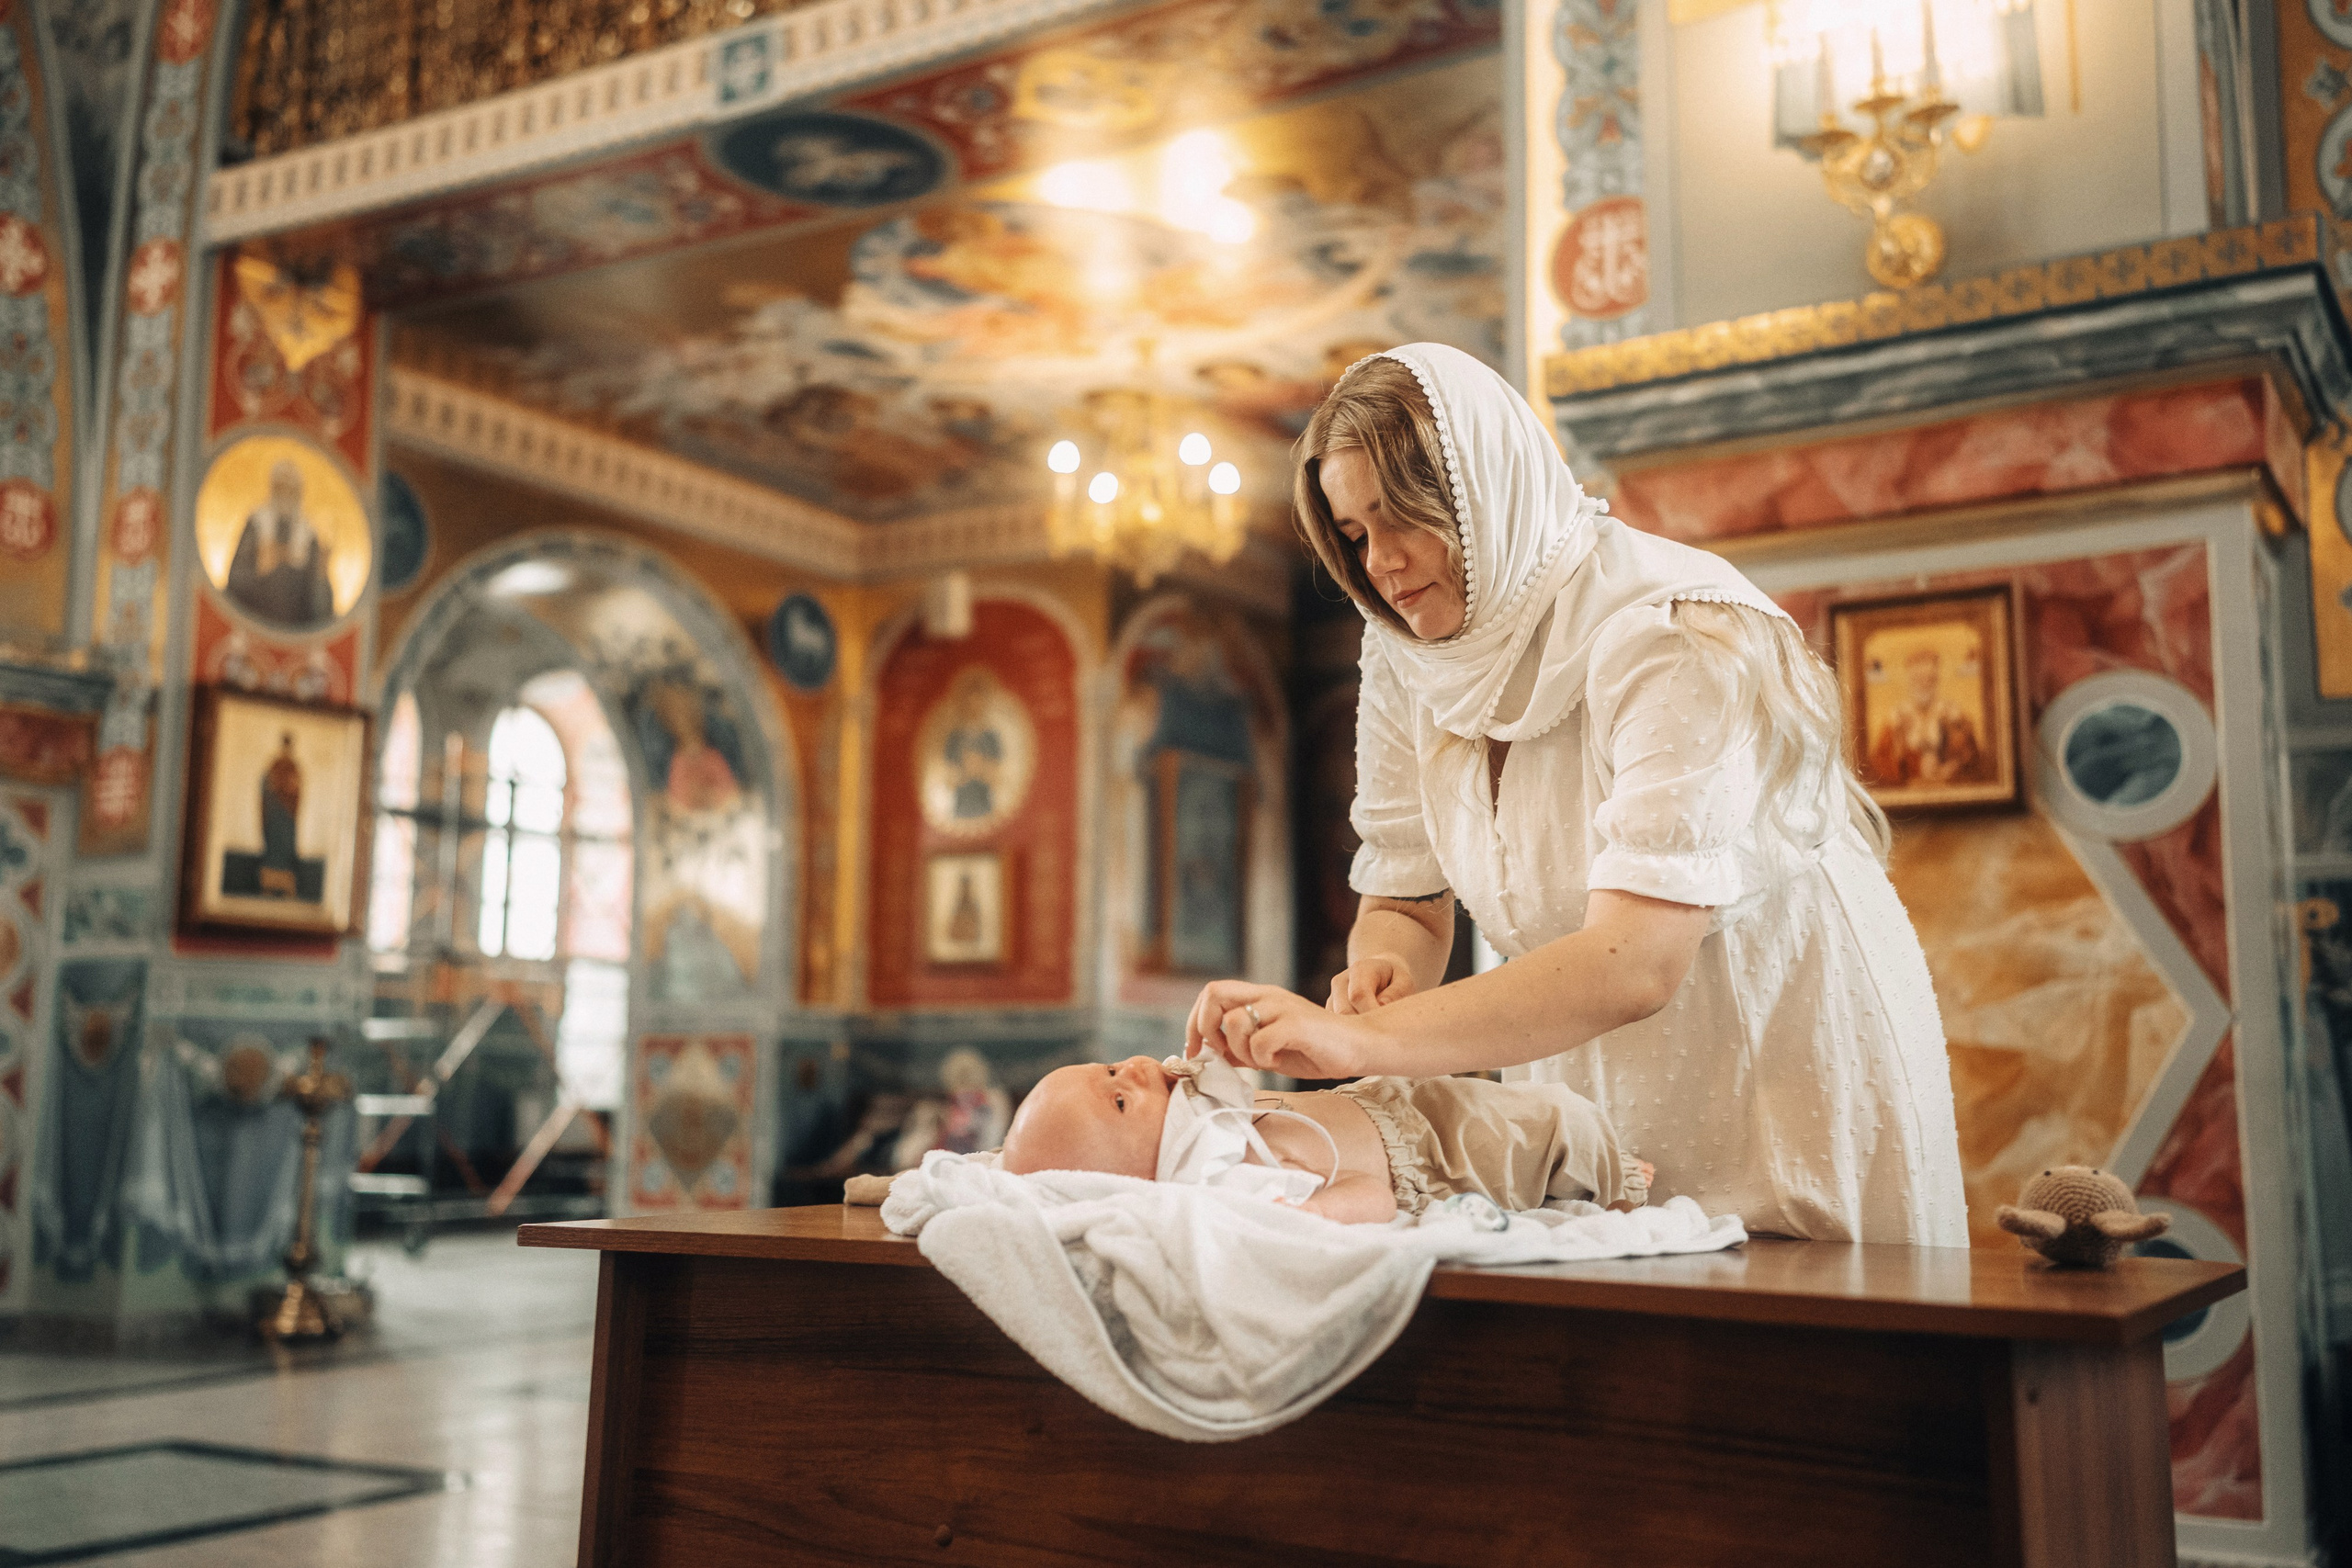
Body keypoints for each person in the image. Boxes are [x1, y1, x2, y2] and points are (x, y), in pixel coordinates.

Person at [1183, 343, 1966, 1246]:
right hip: (1580, 1061)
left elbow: (1637, 960)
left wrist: (1358, 1045)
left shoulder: (1673, 635)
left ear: (1484, 493)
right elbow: (1404, 892)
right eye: (1354, 534)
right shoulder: (1407, 657)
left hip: (1772, 1055)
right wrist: (1382, 971)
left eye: (1402, 518)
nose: (1383, 564)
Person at [996, 1054, 1640, 1225]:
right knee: (1547, 1125)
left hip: (1387, 1097)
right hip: (1434, 1145)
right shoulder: (1222, 1175)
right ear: (1137, 1179)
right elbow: (1370, 1194)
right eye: (1118, 1098)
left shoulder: (1190, 1106)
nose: (1133, 1070)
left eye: (1109, 1067)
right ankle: (1619, 1182)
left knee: (1528, 1108)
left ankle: (1607, 1167)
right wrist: (1315, 1213)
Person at [224, 460, 335, 628]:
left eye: (291, 489)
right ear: (273, 488)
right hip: (252, 625)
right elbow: (233, 585)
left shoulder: (309, 535)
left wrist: (321, 575)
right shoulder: (256, 525)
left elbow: (320, 613)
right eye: (281, 487)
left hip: (293, 633)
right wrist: (260, 569)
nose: (286, 494)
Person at [1866, 644, 1987, 787]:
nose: (1924, 684)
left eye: (1929, 679)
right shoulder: (1896, 717)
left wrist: (1950, 769)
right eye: (1919, 679)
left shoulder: (1954, 714)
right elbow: (1880, 764)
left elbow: (1972, 759)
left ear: (1936, 679)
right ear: (1910, 680)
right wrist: (1916, 766)